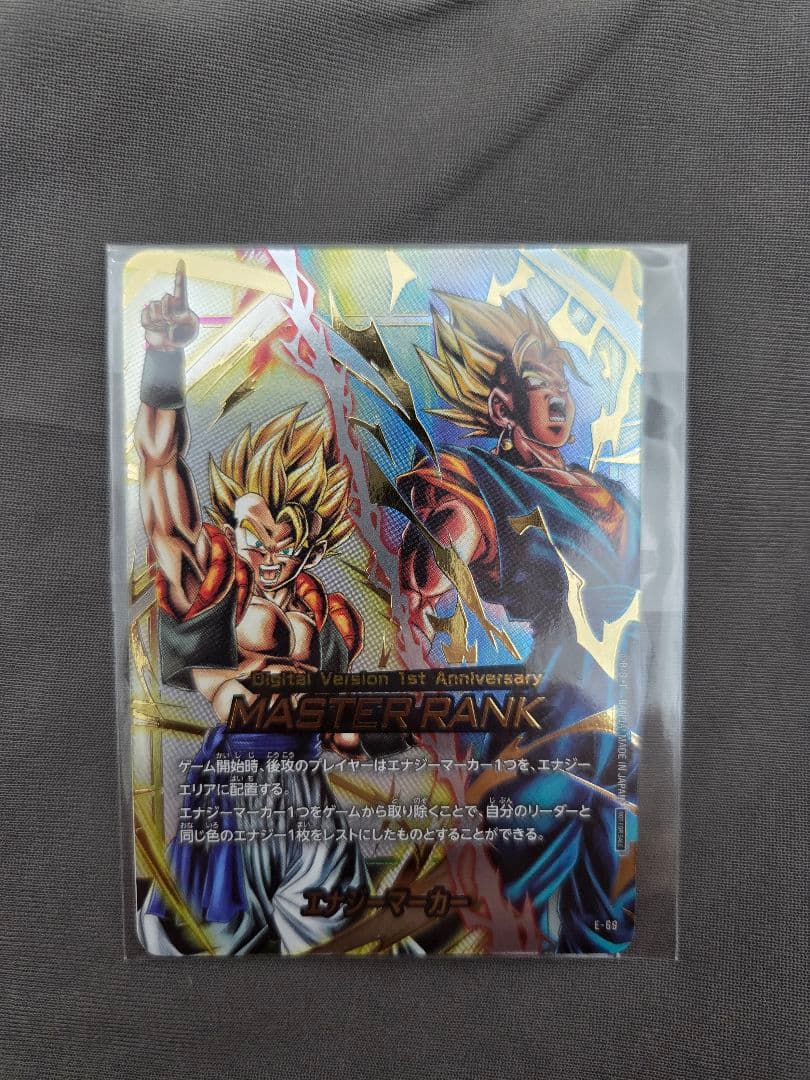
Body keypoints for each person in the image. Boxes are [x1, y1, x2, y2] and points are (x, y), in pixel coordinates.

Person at [398, 292, 640, 952]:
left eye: (562, 377)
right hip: (555, 715)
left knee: (615, 904)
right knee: (507, 884)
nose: (557, 391)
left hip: (627, 709)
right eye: (539, 378)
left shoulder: (616, 496)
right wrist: (442, 552)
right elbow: (450, 537)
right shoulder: (486, 478)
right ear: (503, 408)